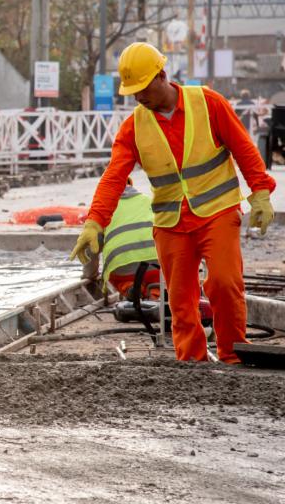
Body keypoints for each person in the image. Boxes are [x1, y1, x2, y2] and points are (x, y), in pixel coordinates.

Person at [70, 42, 276, 364]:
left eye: (142, 88)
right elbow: (113, 177)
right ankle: (192, 361)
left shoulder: (208, 104)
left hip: (217, 212)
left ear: (162, 75)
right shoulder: (134, 128)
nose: (138, 97)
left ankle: (233, 355)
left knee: (224, 283)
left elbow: (244, 148)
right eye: (132, 91)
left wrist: (260, 192)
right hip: (170, 223)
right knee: (180, 299)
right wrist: (95, 222)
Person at [83, 177, 160, 299]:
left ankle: (129, 287)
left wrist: (90, 274)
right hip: (157, 264)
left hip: (123, 269)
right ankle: (156, 293)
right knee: (158, 279)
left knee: (119, 275)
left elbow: (91, 246)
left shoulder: (100, 211)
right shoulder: (148, 201)